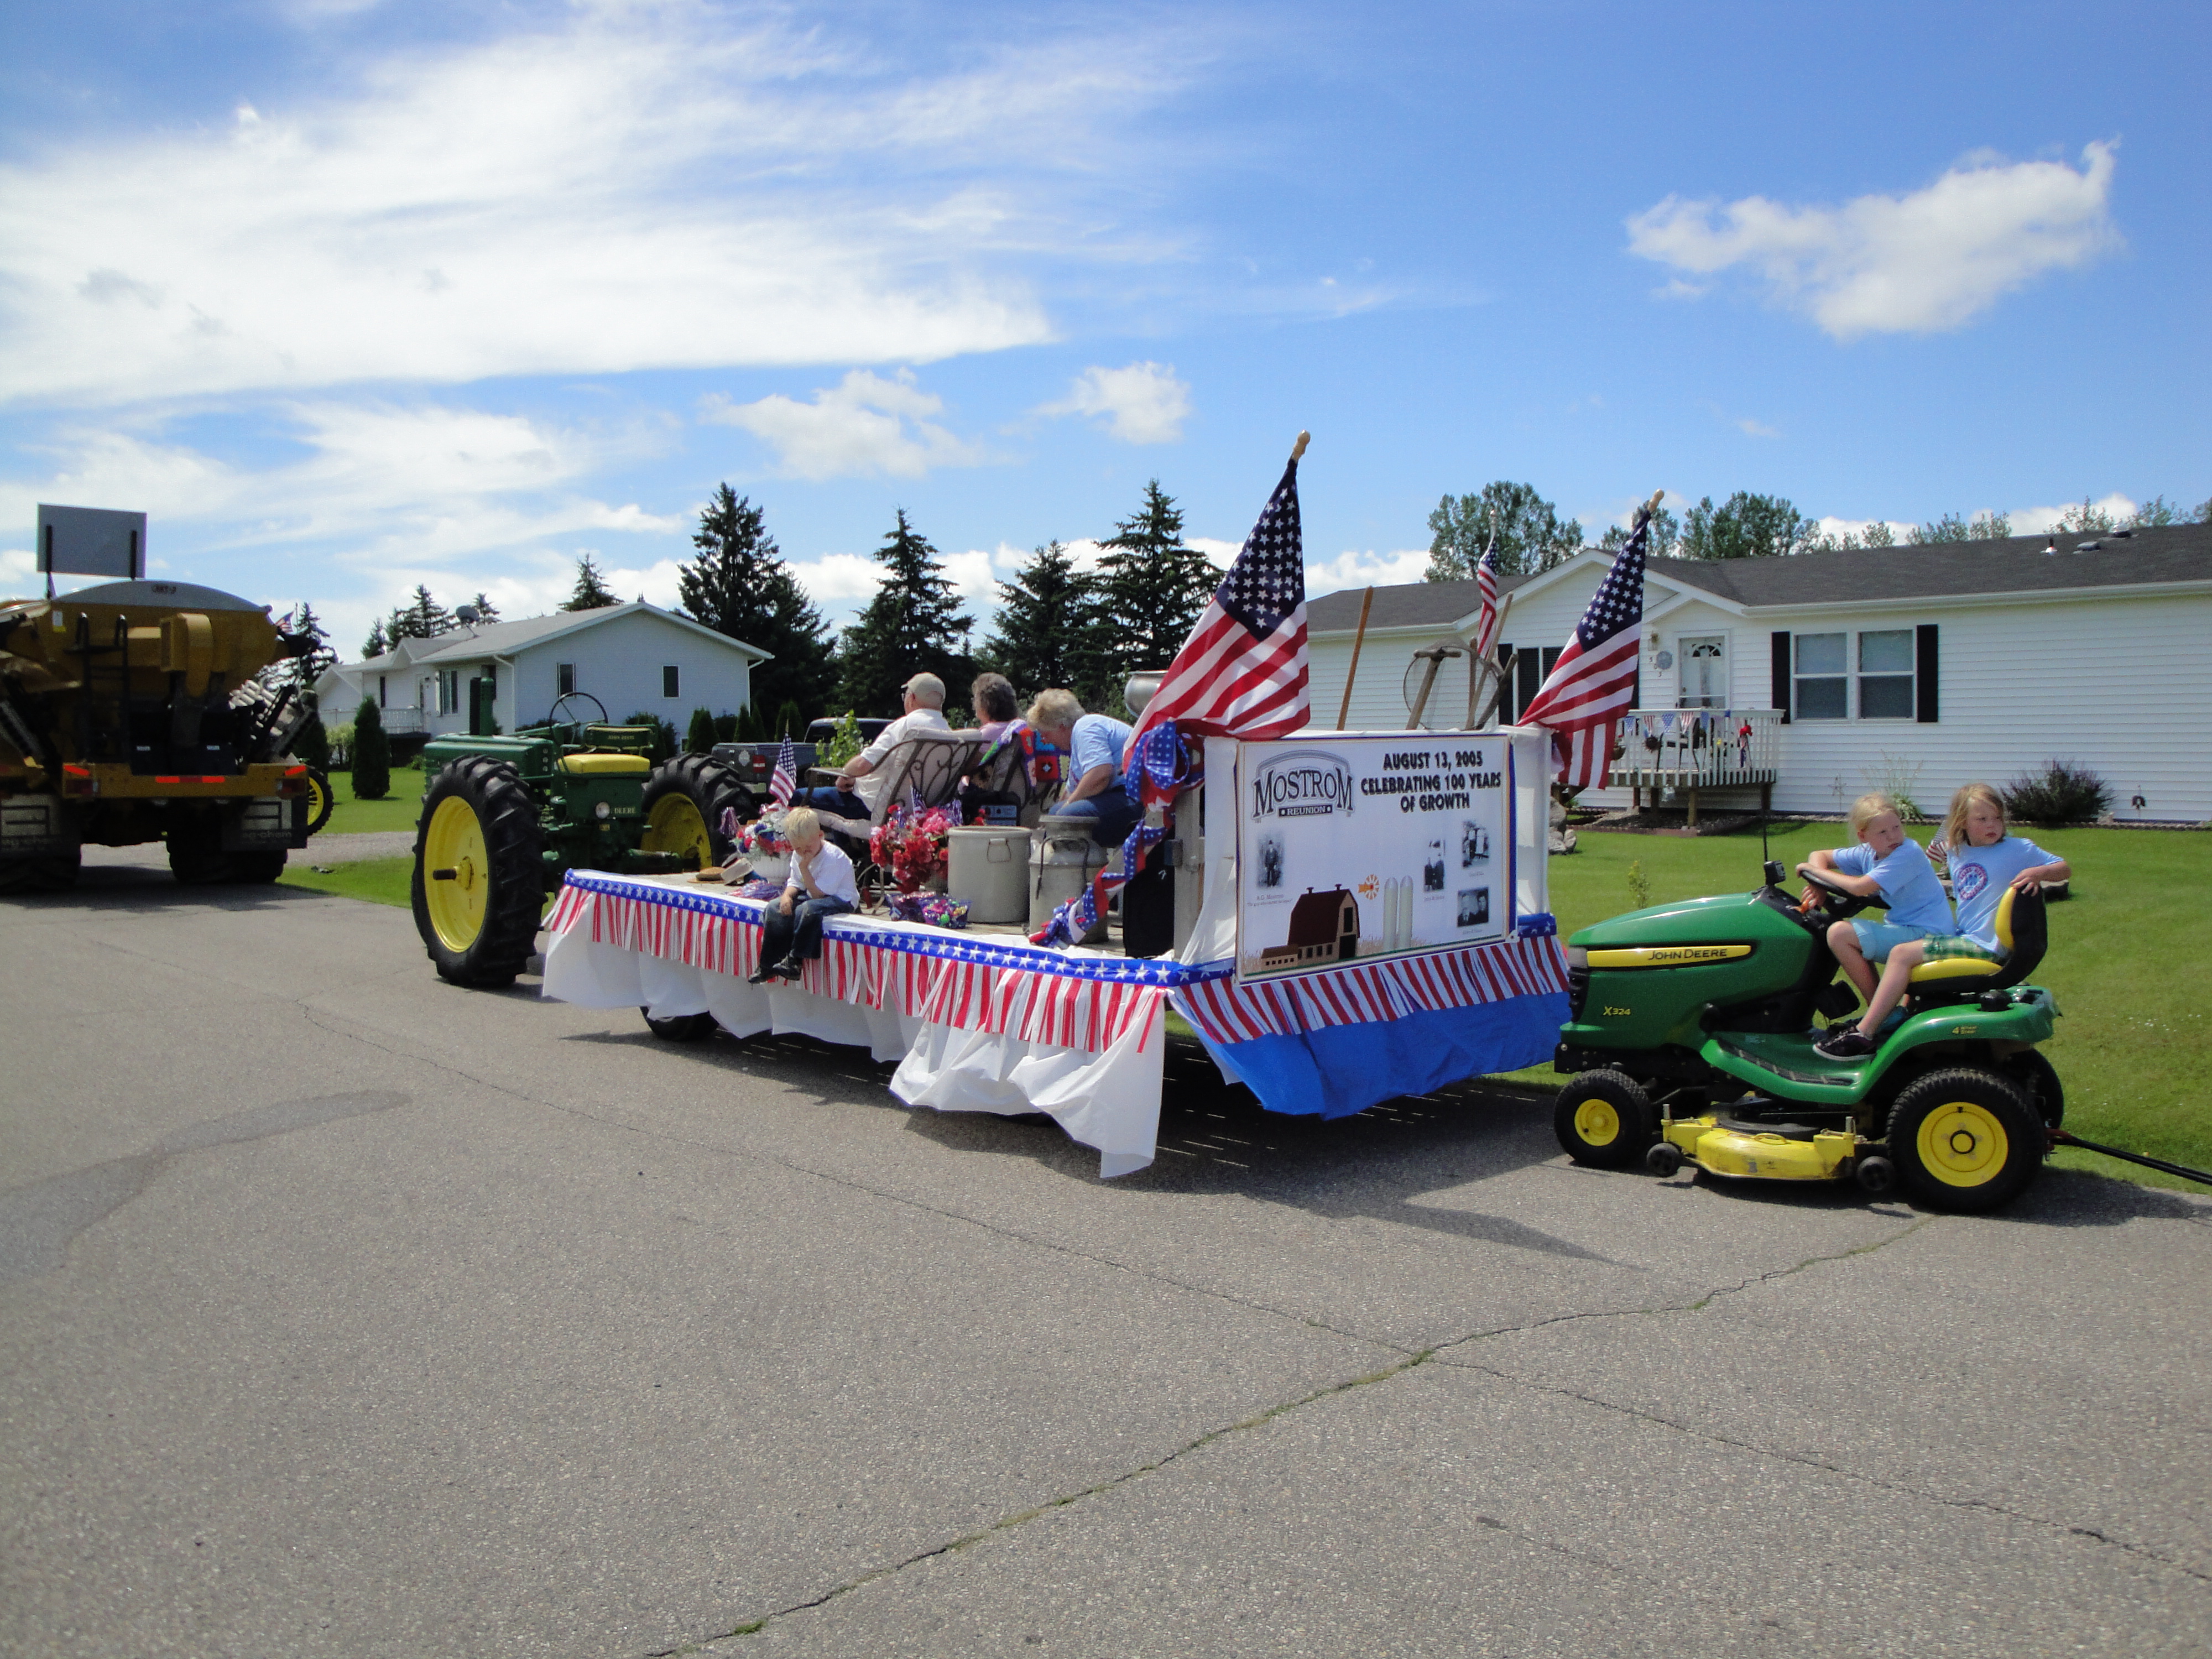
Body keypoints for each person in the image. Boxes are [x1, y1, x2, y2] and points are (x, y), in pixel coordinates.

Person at [1802, 791, 1958, 1060]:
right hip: (1910, 931)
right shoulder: (1867, 854)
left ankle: (1880, 1018)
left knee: (1839, 934)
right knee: (1845, 931)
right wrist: (1817, 882)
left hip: (1928, 936)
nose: (1893, 836)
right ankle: (1885, 1013)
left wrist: (1809, 871)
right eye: (1883, 832)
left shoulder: (1907, 852)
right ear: (1864, 836)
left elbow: (1860, 888)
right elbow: (1820, 855)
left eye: (1897, 827)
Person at [792, 672, 952, 821]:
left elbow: (862, 765)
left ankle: (786, 849)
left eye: (905, 696)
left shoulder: (904, 726)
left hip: (876, 807)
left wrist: (845, 774)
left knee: (798, 796)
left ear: (912, 698)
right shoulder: (950, 734)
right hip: (923, 810)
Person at [747, 807, 858, 983]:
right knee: (774, 908)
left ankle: (795, 960)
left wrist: (805, 868)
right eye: (798, 848)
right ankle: (768, 964)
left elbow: (818, 896)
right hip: (815, 894)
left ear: (821, 836)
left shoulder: (833, 858)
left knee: (807, 909)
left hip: (840, 899)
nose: (804, 852)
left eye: (809, 846)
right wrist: (787, 897)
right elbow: (795, 882)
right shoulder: (799, 855)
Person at [1026, 688, 1136, 846]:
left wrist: (1067, 806)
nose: (1043, 740)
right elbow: (1071, 792)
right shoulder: (1079, 741)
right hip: (1122, 795)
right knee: (1056, 813)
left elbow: (1100, 774)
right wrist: (1050, 821)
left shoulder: (1086, 727)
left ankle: (1065, 869)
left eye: (1044, 733)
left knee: (1067, 820)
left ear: (1061, 726)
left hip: (1137, 796)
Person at [970, 672, 1018, 742]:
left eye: (976, 698)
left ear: (985, 703)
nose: (974, 702)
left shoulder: (987, 733)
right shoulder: (1017, 728)